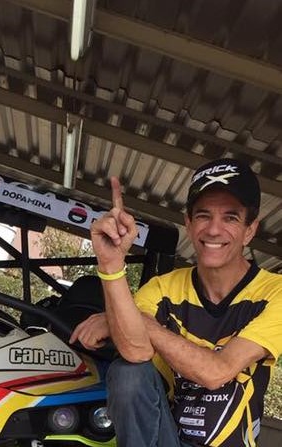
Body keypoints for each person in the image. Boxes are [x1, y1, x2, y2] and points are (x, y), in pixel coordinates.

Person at [69, 158, 282, 447]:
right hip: (166, 440)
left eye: (230, 218)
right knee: (128, 373)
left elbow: (217, 372)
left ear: (250, 230)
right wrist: (111, 264)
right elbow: (135, 350)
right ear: (189, 224)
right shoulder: (162, 289)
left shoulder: (274, 292)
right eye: (204, 216)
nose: (214, 230)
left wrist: (123, 316)